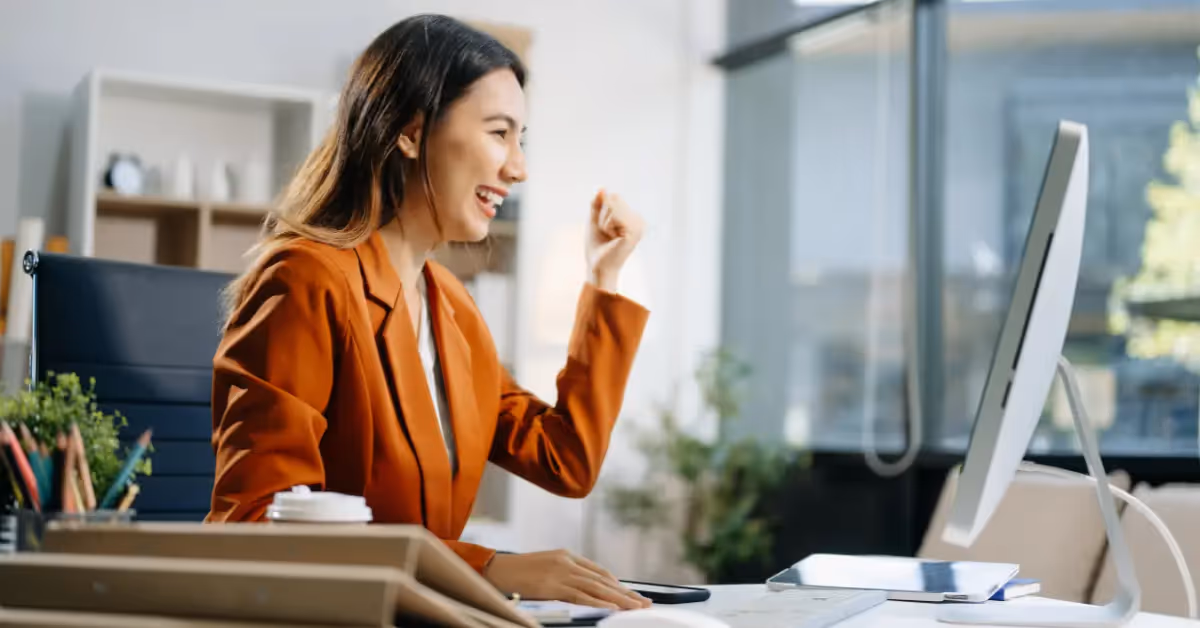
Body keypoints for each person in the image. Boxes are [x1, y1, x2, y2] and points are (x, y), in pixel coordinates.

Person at [205, 14, 651, 610]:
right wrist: (485, 567)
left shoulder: (452, 307)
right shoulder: (306, 280)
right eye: (499, 133)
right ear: (411, 132)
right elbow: (253, 524)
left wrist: (604, 277)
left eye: (522, 140)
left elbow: (564, 459)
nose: (518, 167)